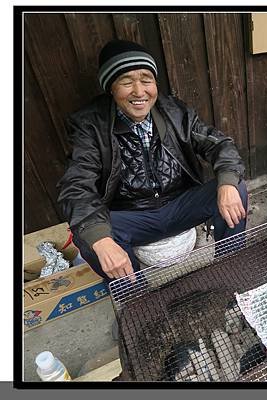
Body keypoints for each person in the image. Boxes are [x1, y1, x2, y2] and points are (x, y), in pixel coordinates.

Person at [57, 40, 248, 283]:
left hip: (178, 205)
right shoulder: (90, 126)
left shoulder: (174, 111)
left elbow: (219, 144)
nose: (139, 91)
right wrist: (101, 240)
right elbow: (76, 186)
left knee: (236, 188)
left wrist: (227, 184)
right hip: (132, 216)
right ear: (111, 88)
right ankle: (135, 297)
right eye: (127, 82)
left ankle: (231, 270)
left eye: (146, 79)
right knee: (87, 235)